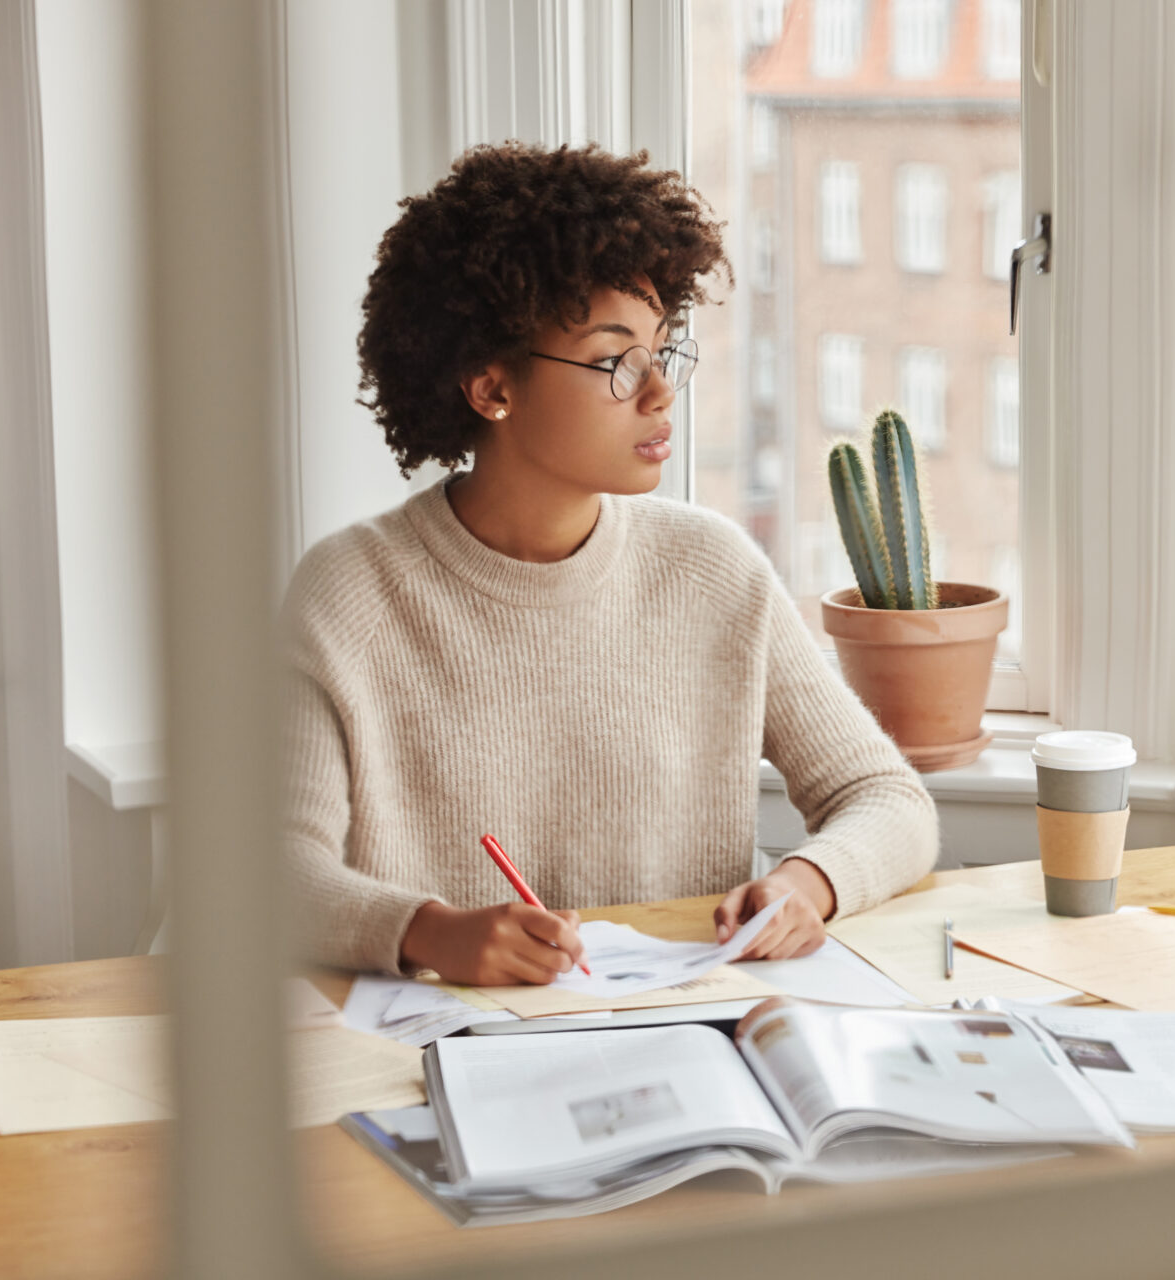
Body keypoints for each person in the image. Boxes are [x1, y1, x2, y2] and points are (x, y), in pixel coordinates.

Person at [279, 142, 939, 986]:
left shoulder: (712, 572)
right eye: (612, 360)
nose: (659, 391)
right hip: (446, 1060)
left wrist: (807, 883)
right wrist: (430, 933)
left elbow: (887, 799)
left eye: (661, 351)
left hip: (685, 1042)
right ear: (490, 389)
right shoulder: (350, 593)